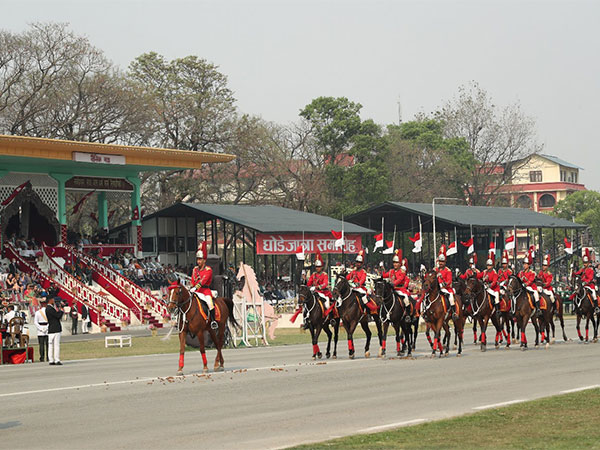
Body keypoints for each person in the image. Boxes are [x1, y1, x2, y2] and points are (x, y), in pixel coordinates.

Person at [190, 241, 217, 329]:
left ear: (204, 260)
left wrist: (195, 287)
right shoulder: (195, 270)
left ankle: (213, 321)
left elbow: (203, 281)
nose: (198, 261)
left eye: (200, 259)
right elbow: (193, 280)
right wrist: (191, 287)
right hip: (196, 290)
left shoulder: (208, 270)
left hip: (205, 291)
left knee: (210, 303)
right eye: (197, 259)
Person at [435, 245, 459, 319]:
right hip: (436, 288)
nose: (440, 263)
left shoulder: (448, 271)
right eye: (439, 261)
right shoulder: (435, 270)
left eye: (442, 261)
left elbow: (449, 281)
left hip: (445, 288)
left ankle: (454, 312)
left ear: (445, 262)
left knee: (451, 298)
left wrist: (443, 282)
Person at [477, 249, 501, 319]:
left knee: (496, 296)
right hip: (486, 287)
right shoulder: (485, 272)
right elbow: (479, 275)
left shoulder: (494, 272)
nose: (488, 266)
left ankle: (497, 310)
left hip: (493, 289)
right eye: (487, 265)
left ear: (492, 266)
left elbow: (494, 282)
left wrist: (489, 285)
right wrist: (475, 274)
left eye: (490, 265)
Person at [518, 252, 540, 316]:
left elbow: (531, 280)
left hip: (531, 287)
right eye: (524, 264)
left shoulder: (532, 273)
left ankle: (538, 309)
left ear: (529, 265)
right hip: (523, 287)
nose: (524, 265)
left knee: (536, 295)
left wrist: (525, 284)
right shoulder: (521, 273)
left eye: (526, 264)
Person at [45, 296, 64, 365]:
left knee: (51, 345)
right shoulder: (50, 308)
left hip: (51, 328)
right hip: (55, 328)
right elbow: (57, 316)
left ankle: (51, 359)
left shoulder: (49, 308)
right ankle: (56, 359)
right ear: (50, 300)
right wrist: (61, 310)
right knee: (56, 345)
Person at [34, 297, 49, 362]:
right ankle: (48, 357)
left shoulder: (37, 312)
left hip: (40, 330)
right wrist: (46, 328)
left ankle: (42, 357)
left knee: (41, 345)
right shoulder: (48, 311)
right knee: (48, 345)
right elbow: (51, 321)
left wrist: (40, 328)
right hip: (47, 329)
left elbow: (35, 322)